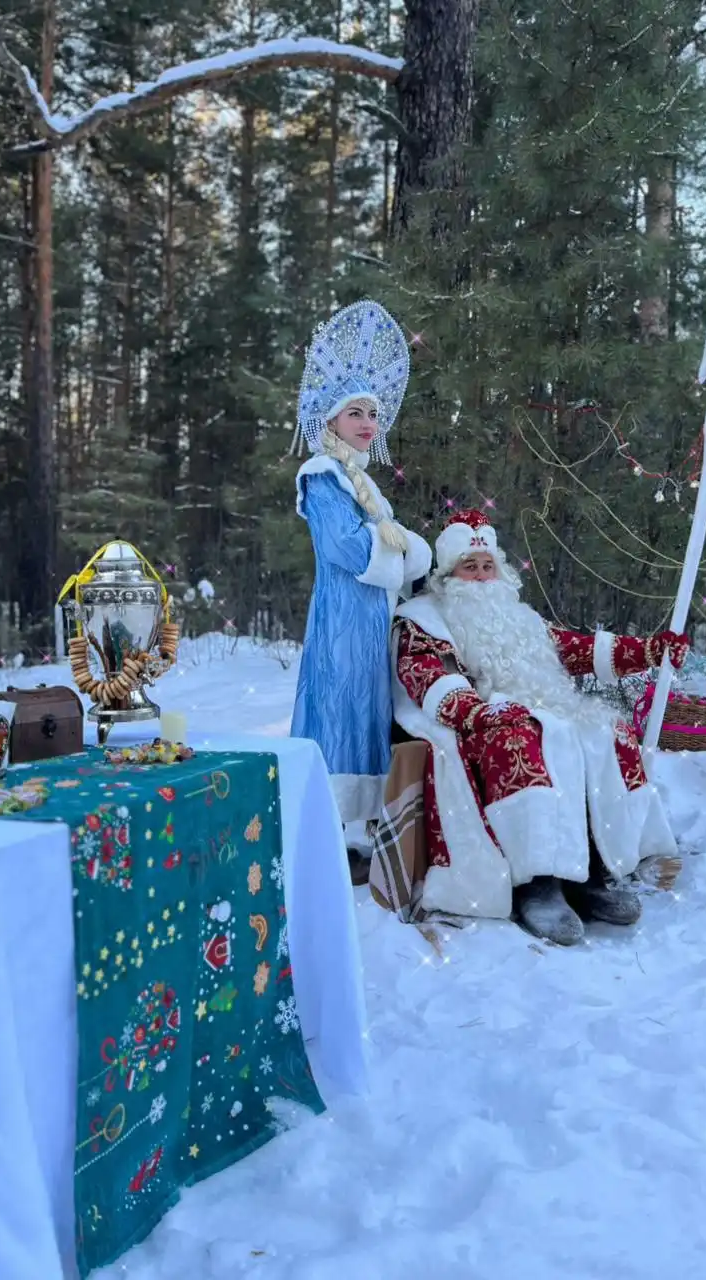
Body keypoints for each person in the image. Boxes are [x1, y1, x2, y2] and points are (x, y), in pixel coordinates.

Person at [387, 509, 689, 945]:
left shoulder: (521, 617)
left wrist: (648, 651)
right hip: (481, 717)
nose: (481, 576)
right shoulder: (425, 618)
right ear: (449, 575)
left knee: (603, 731)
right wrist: (471, 711)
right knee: (523, 739)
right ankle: (538, 884)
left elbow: (576, 648)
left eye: (487, 565)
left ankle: (589, 873)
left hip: (545, 708)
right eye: (470, 567)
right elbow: (424, 672)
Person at [290, 300, 432, 875]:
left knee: (367, 713)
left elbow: (379, 542)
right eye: (355, 413)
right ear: (330, 421)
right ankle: (330, 830)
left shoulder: (361, 481)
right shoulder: (321, 477)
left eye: (373, 413)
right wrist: (408, 554)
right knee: (337, 712)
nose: (369, 422)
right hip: (341, 620)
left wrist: (411, 553)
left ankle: (360, 828)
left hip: (371, 619)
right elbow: (348, 548)